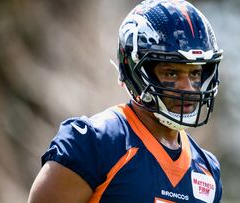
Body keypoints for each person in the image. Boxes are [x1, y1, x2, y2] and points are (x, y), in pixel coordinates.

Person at [28, 0, 223, 202]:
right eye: (171, 73)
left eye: (195, 73)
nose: (188, 87)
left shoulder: (206, 171)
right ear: (135, 70)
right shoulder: (95, 142)